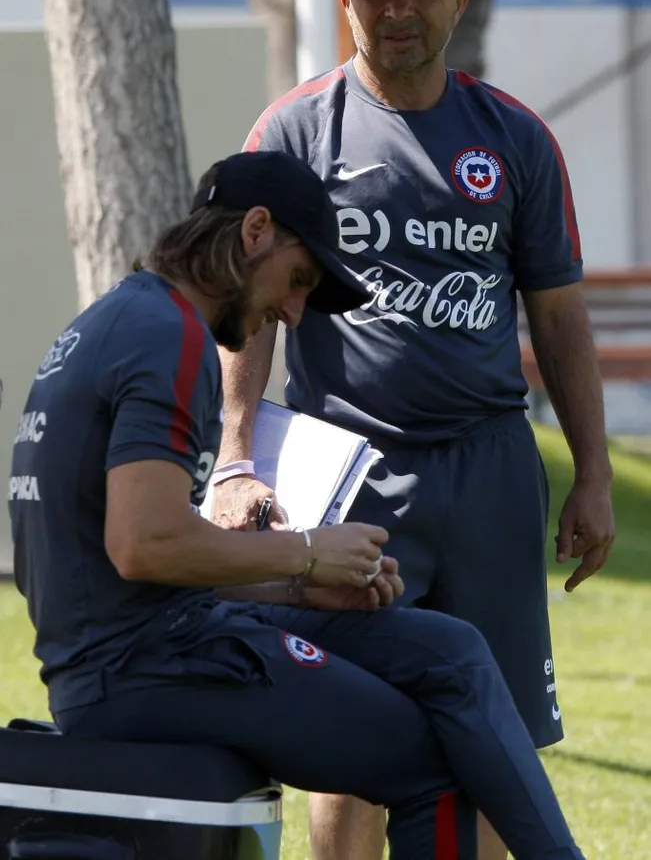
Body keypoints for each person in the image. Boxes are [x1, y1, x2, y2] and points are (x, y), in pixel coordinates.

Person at [8, 149, 587, 860]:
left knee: (449, 646)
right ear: (255, 231)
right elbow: (142, 544)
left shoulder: (120, 318)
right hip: (142, 668)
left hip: (152, 640)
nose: (292, 310)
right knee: (438, 761)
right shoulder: (169, 335)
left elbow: (122, 558)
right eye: (298, 279)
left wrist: (299, 587)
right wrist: (308, 549)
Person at [211, 0, 615, 860]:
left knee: (493, 731)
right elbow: (244, 310)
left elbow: (557, 314)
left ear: (457, 2)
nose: (397, 10)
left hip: (486, 472)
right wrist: (232, 459)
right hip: (345, 469)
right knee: (347, 732)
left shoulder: (512, 137)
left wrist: (592, 474)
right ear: (345, 2)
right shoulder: (295, 129)